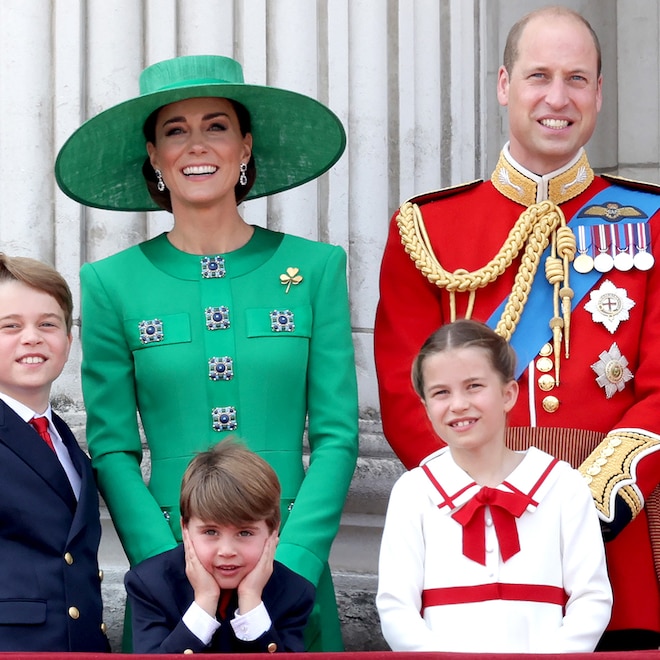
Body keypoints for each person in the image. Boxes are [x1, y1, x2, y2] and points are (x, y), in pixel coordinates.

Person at [374, 5, 660, 650]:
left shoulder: (651, 222)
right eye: (538, 76)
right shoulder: (426, 228)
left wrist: (580, 505)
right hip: (467, 534)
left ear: (599, 91)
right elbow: (403, 392)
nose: (557, 98)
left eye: (577, 79)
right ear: (504, 85)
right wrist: (473, 495)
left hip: (617, 528)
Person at [54, 54, 358, 652]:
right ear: (154, 154)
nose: (198, 144)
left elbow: (337, 435)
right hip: (169, 568)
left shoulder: (318, 268)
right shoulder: (110, 282)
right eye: (175, 129)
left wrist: (293, 557)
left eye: (216, 125)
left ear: (245, 146)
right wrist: (166, 564)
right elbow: (113, 446)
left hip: (288, 555)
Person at [376, 319, 612, 653]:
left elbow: (591, 599)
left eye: (474, 386)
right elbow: (396, 606)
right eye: (441, 392)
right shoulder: (414, 492)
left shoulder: (563, 485)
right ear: (426, 407)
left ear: (507, 393)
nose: (458, 404)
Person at [0, 254, 109, 652]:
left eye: (48, 324)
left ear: (68, 340)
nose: (32, 337)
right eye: (10, 326)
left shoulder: (65, 441)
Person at [125, 440, 315, 653]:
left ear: (272, 532)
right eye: (211, 532)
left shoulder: (293, 592)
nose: (226, 551)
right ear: (185, 528)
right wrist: (204, 602)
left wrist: (251, 600)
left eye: (244, 533)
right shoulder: (151, 584)